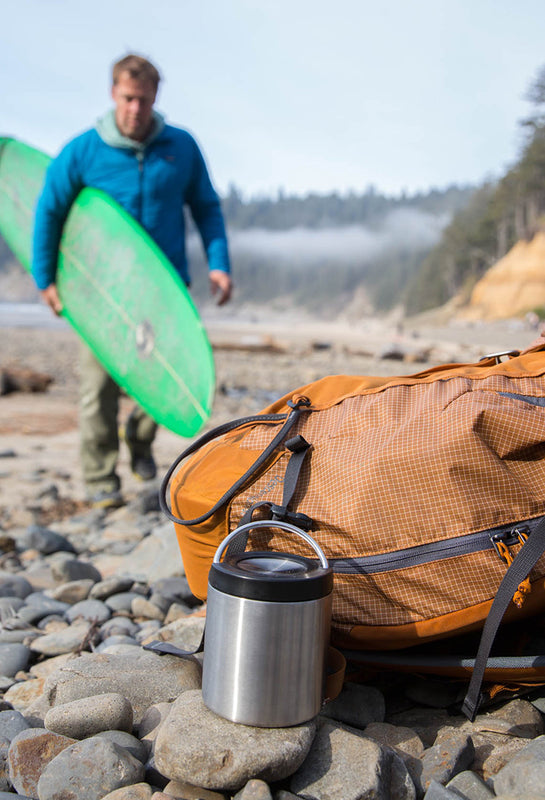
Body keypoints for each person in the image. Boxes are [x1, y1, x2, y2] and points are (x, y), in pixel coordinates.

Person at [32, 53, 232, 508]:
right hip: (99, 292)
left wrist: (218, 262)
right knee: (98, 386)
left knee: (162, 377)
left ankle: (140, 443)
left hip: (163, 292)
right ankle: (102, 479)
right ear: (112, 94)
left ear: (155, 98)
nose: (135, 109)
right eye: (127, 98)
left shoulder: (180, 146)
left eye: (143, 100)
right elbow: (48, 211)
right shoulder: (83, 150)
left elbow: (206, 206)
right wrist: (46, 278)